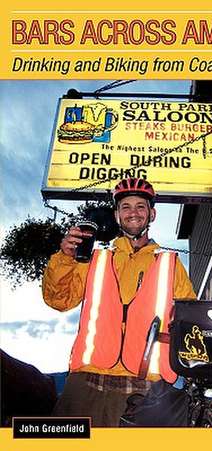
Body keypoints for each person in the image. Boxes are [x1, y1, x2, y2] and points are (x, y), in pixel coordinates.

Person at [42, 177, 196, 427]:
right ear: (116, 215)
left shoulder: (171, 265)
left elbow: (190, 323)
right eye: (125, 206)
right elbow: (58, 300)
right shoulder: (95, 259)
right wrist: (65, 258)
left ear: (152, 214)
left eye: (140, 206)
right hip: (86, 383)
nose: (132, 212)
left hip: (145, 387)